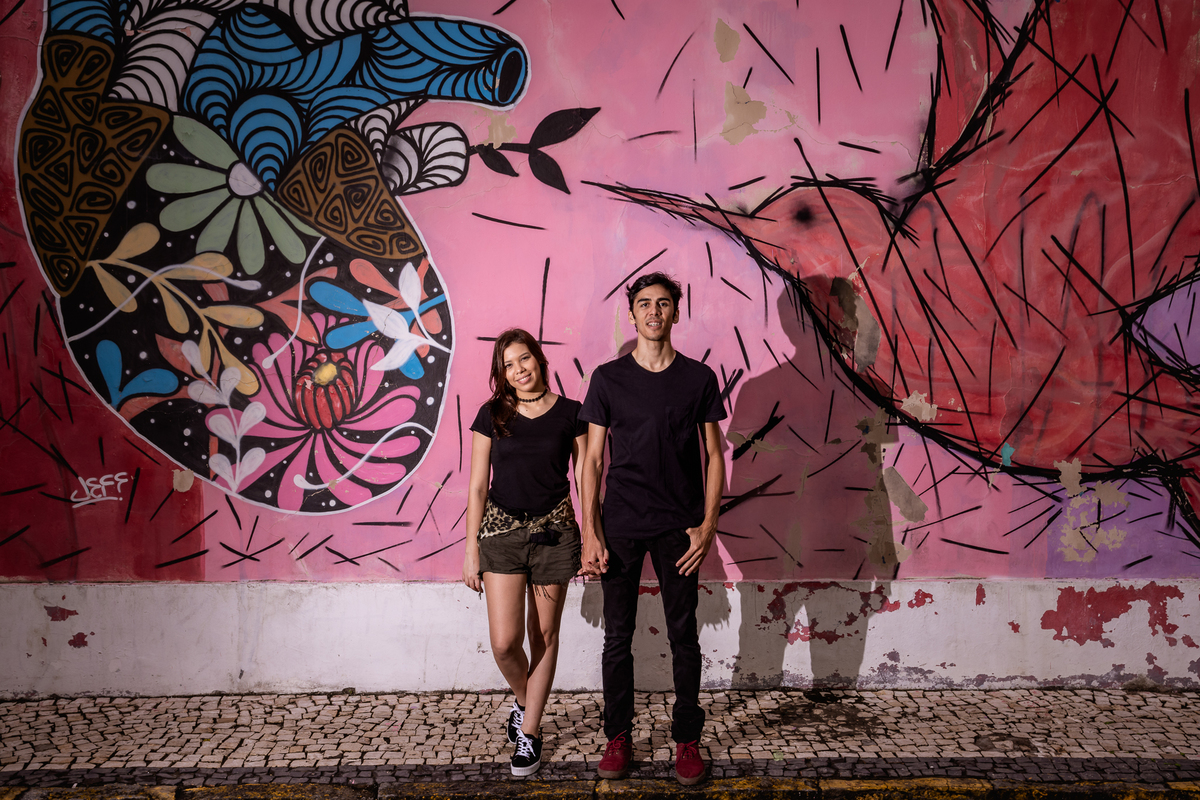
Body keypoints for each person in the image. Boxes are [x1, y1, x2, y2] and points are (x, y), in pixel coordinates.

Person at [578, 272, 726, 786]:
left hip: (679, 528)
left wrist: (707, 526)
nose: (654, 312)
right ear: (632, 314)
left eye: (663, 304)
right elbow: (591, 460)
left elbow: (714, 456)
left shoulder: (698, 379)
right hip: (620, 523)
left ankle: (686, 739)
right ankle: (617, 737)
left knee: (684, 636)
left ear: (676, 313)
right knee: (617, 638)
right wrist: (591, 531)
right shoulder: (607, 379)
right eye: (645, 304)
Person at [462, 328, 588, 777]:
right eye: (509, 365)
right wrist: (470, 549)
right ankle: (523, 699)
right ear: (502, 373)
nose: (519, 370)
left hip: (555, 535)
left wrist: (593, 536)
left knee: (544, 637)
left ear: (539, 358)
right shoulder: (492, 414)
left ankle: (530, 733)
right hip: (500, 535)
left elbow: (587, 480)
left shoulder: (573, 413)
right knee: (504, 643)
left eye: (524, 359)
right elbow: (478, 486)